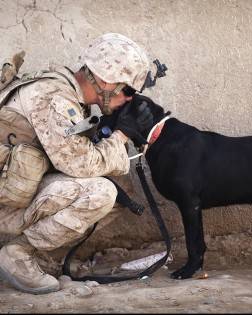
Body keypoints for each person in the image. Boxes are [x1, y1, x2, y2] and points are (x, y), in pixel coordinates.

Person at [0, 33, 155, 294]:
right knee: (103, 192)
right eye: (127, 91)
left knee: (120, 192)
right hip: (6, 201)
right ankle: (17, 254)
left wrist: (108, 132)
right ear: (105, 81)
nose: (129, 99)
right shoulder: (55, 98)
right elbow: (79, 164)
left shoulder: (63, 91)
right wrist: (120, 136)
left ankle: (27, 250)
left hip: (10, 190)